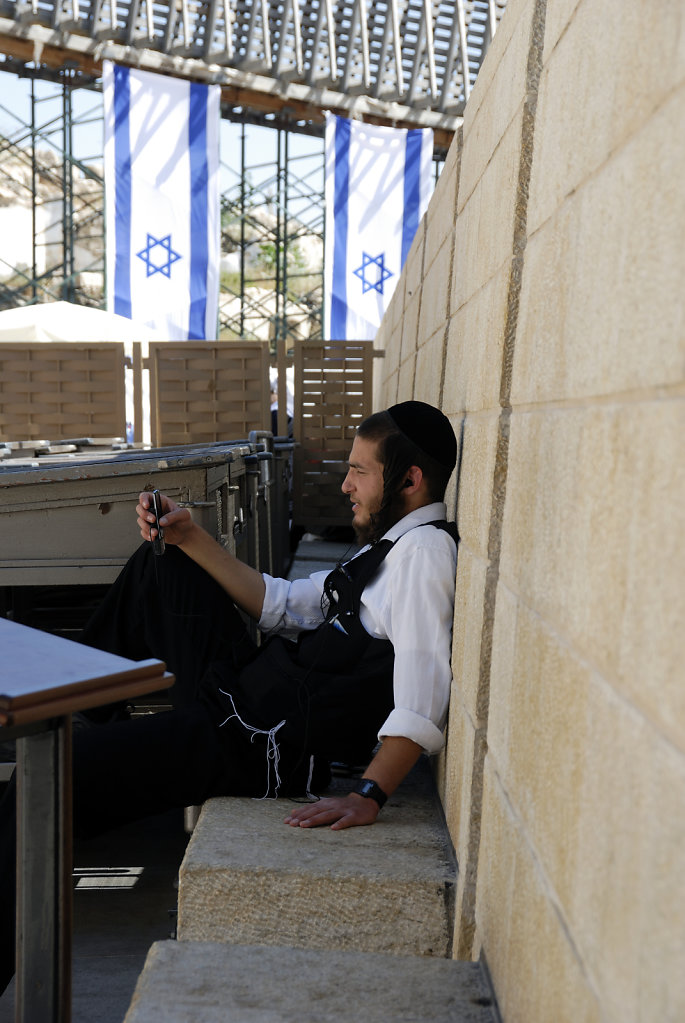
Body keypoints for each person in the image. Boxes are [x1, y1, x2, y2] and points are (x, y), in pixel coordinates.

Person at [0, 399, 458, 990]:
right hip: (250, 692)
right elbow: (288, 605)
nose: (345, 484)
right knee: (162, 561)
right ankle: (75, 709)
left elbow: (423, 694)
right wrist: (189, 534)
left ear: (410, 479)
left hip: (258, 743)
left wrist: (370, 794)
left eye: (359, 471)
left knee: (55, 780)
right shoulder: (393, 543)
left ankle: (69, 735)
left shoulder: (424, 556)